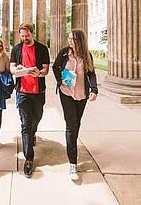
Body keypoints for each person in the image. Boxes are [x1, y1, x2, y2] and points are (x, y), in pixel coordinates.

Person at [52, 29, 98, 181]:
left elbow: (91, 73)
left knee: (76, 124)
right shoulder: (64, 53)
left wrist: (94, 89)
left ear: (80, 41)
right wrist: (60, 80)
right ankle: (73, 163)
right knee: (71, 125)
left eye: (73, 39)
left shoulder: (87, 56)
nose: (70, 41)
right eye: (69, 38)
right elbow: (55, 67)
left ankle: (71, 144)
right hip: (66, 93)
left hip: (81, 95)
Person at [10, 23, 50, 178]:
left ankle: (33, 133)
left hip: (38, 91)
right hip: (22, 91)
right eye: (22, 36)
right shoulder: (16, 49)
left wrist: (39, 73)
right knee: (26, 122)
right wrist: (18, 69)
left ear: (32, 33)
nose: (24, 38)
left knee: (37, 117)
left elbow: (46, 69)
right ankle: (28, 159)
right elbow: (12, 68)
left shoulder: (41, 49)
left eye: (27, 35)